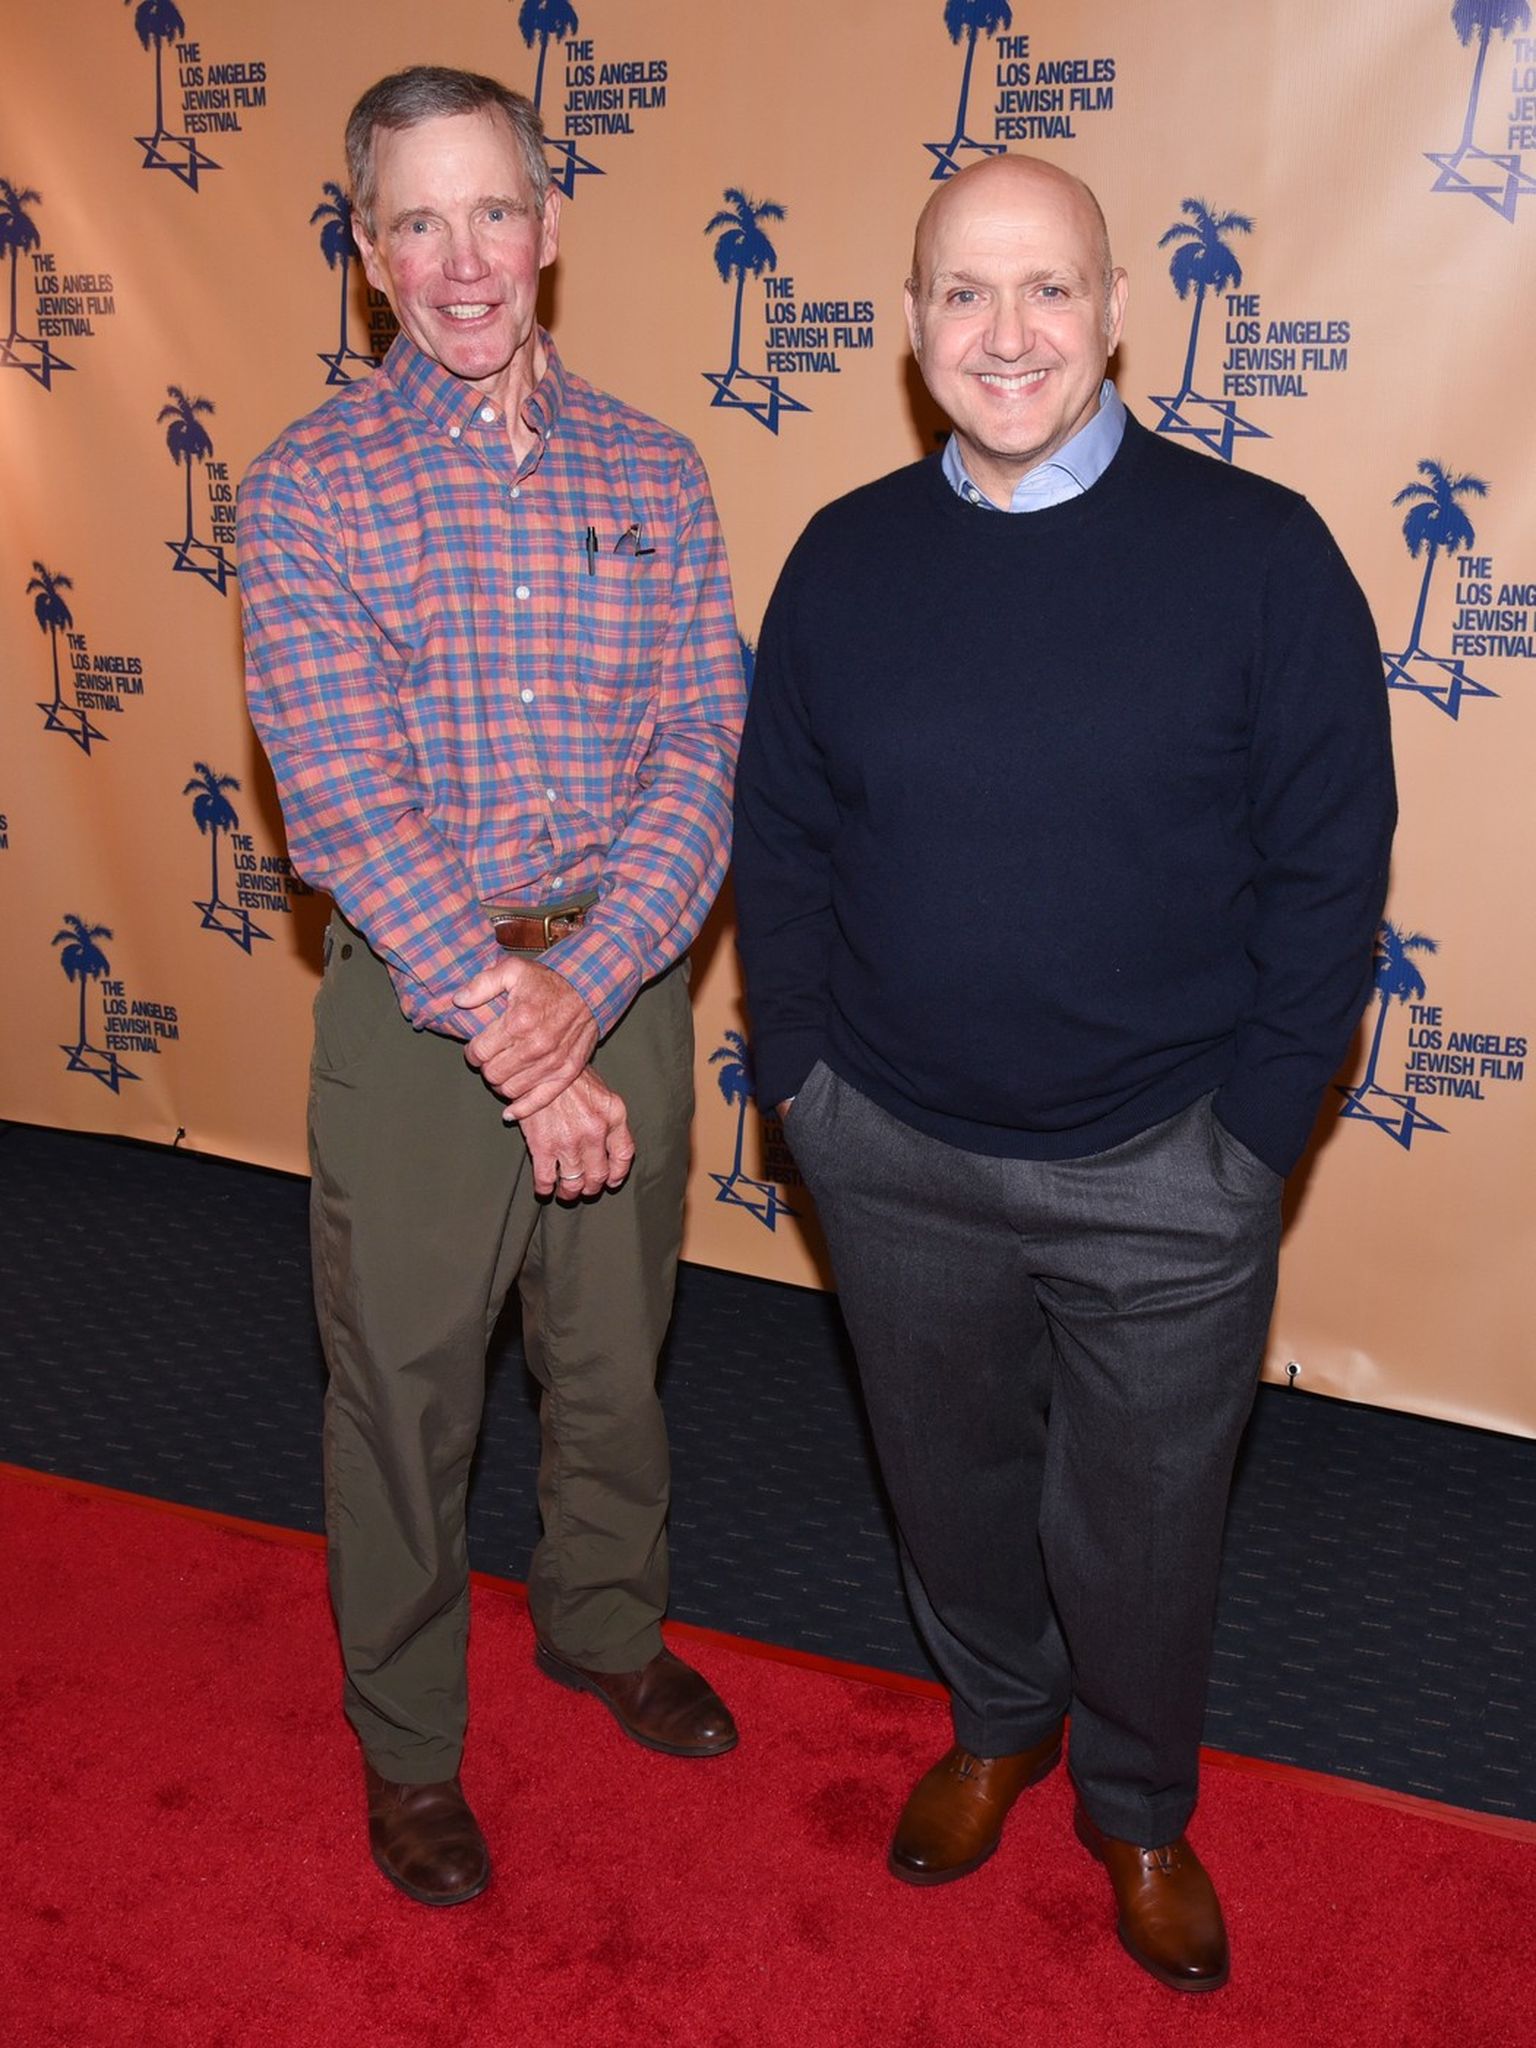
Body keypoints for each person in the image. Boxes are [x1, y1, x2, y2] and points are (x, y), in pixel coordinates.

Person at [732, 155, 1394, 1992]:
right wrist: (807, 1081)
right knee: (944, 1480)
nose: (1006, 332)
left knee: (1148, 1524)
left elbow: (1330, 867)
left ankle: (1138, 1802)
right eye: (964, 291)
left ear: (1114, 313)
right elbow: (780, 835)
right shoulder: (845, 555)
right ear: (912, 324)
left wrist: (1250, 1137)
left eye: (1047, 289)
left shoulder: (1262, 556)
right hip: (890, 1145)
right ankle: (998, 1721)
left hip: (1167, 1162)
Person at [239, 67, 746, 1908]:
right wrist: (526, 1044)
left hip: (625, 983)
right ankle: (406, 1742)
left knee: (615, 1359)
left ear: (549, 226)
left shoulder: (657, 471)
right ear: (368, 255)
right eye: (418, 224)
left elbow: (702, 750)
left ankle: (605, 1624)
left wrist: (588, 991)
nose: (463, 262)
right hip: (414, 1009)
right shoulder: (306, 487)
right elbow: (343, 801)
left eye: (493, 213)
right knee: (405, 1391)